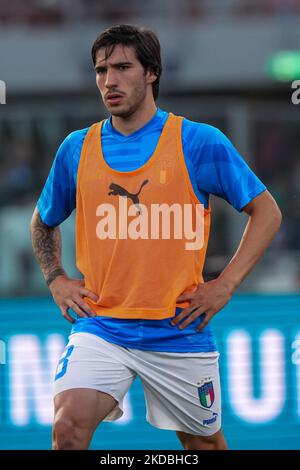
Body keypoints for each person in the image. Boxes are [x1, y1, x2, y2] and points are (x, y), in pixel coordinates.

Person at [30, 24, 282, 451]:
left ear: (151, 73)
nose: (109, 80)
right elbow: (42, 221)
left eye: (123, 67)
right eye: (101, 70)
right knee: (67, 428)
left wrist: (225, 285)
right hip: (102, 327)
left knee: (204, 447)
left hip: (178, 331)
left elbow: (267, 212)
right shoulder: (76, 148)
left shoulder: (198, 141)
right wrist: (56, 277)